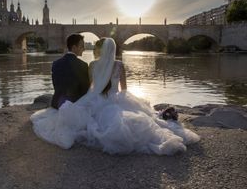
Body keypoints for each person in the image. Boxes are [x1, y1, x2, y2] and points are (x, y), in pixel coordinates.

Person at [31, 37, 200, 155]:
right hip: (115, 99)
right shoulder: (119, 65)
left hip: (97, 99)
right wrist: (120, 98)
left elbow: (92, 87)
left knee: (88, 119)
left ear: (101, 50)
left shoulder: (92, 65)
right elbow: (124, 89)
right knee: (146, 119)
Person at [51, 33, 90, 109]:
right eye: (82, 46)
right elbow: (85, 90)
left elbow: (56, 85)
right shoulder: (83, 65)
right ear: (74, 47)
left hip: (56, 103)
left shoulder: (55, 63)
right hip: (74, 105)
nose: (84, 49)